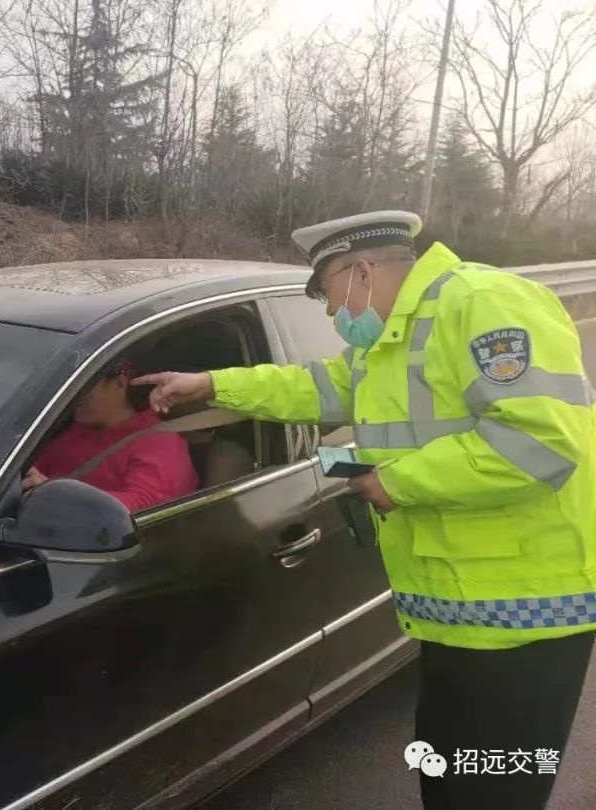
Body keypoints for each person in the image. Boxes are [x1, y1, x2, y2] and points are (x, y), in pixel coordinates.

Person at [133, 211, 596, 810]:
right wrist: (212, 385)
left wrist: (397, 482)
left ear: (361, 271)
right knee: (449, 781)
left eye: (327, 294)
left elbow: (542, 441)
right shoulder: (386, 342)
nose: (331, 313)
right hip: (458, 613)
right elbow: (309, 388)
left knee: (497, 793)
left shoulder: (484, 303)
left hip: (529, 617)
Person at [24, 358, 198, 512]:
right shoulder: (78, 430)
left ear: (120, 385)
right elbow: (32, 469)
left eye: (84, 385)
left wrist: (56, 494)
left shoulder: (159, 442)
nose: (73, 394)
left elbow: (143, 507)